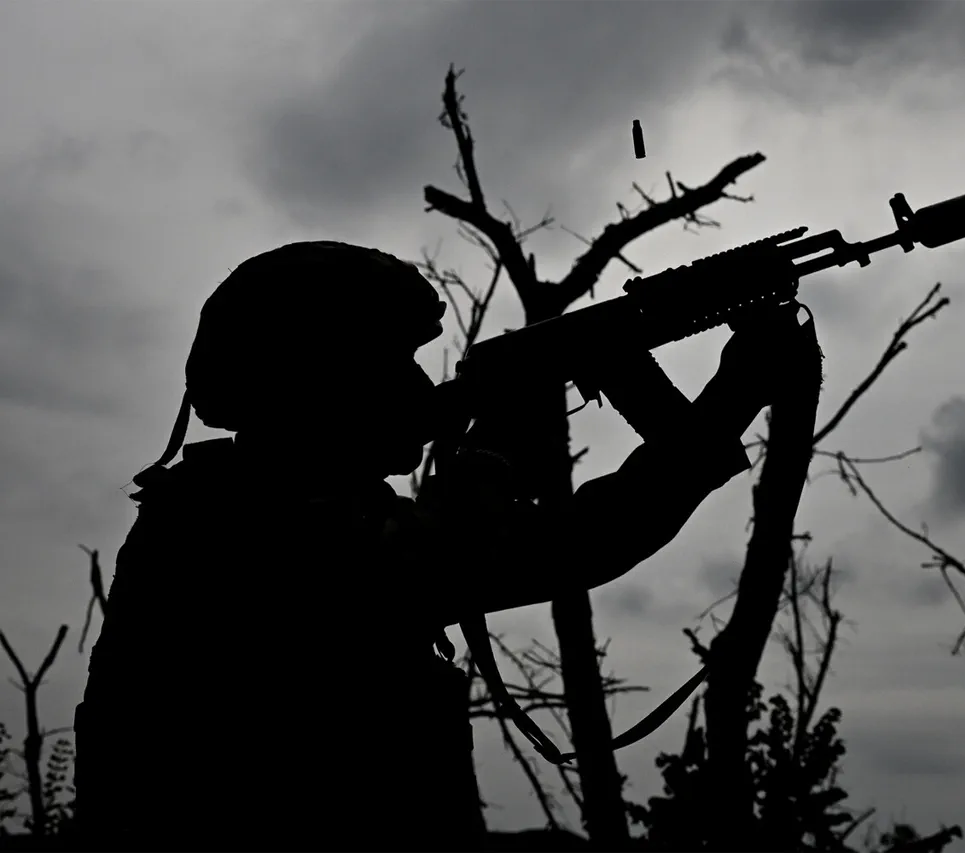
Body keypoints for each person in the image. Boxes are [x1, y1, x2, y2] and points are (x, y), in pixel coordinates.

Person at [74, 241, 818, 851]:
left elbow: (584, 540)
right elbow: (474, 559)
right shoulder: (223, 525)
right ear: (311, 380)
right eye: (387, 364)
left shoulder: (330, 510)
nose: (415, 385)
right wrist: (496, 443)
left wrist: (731, 396)